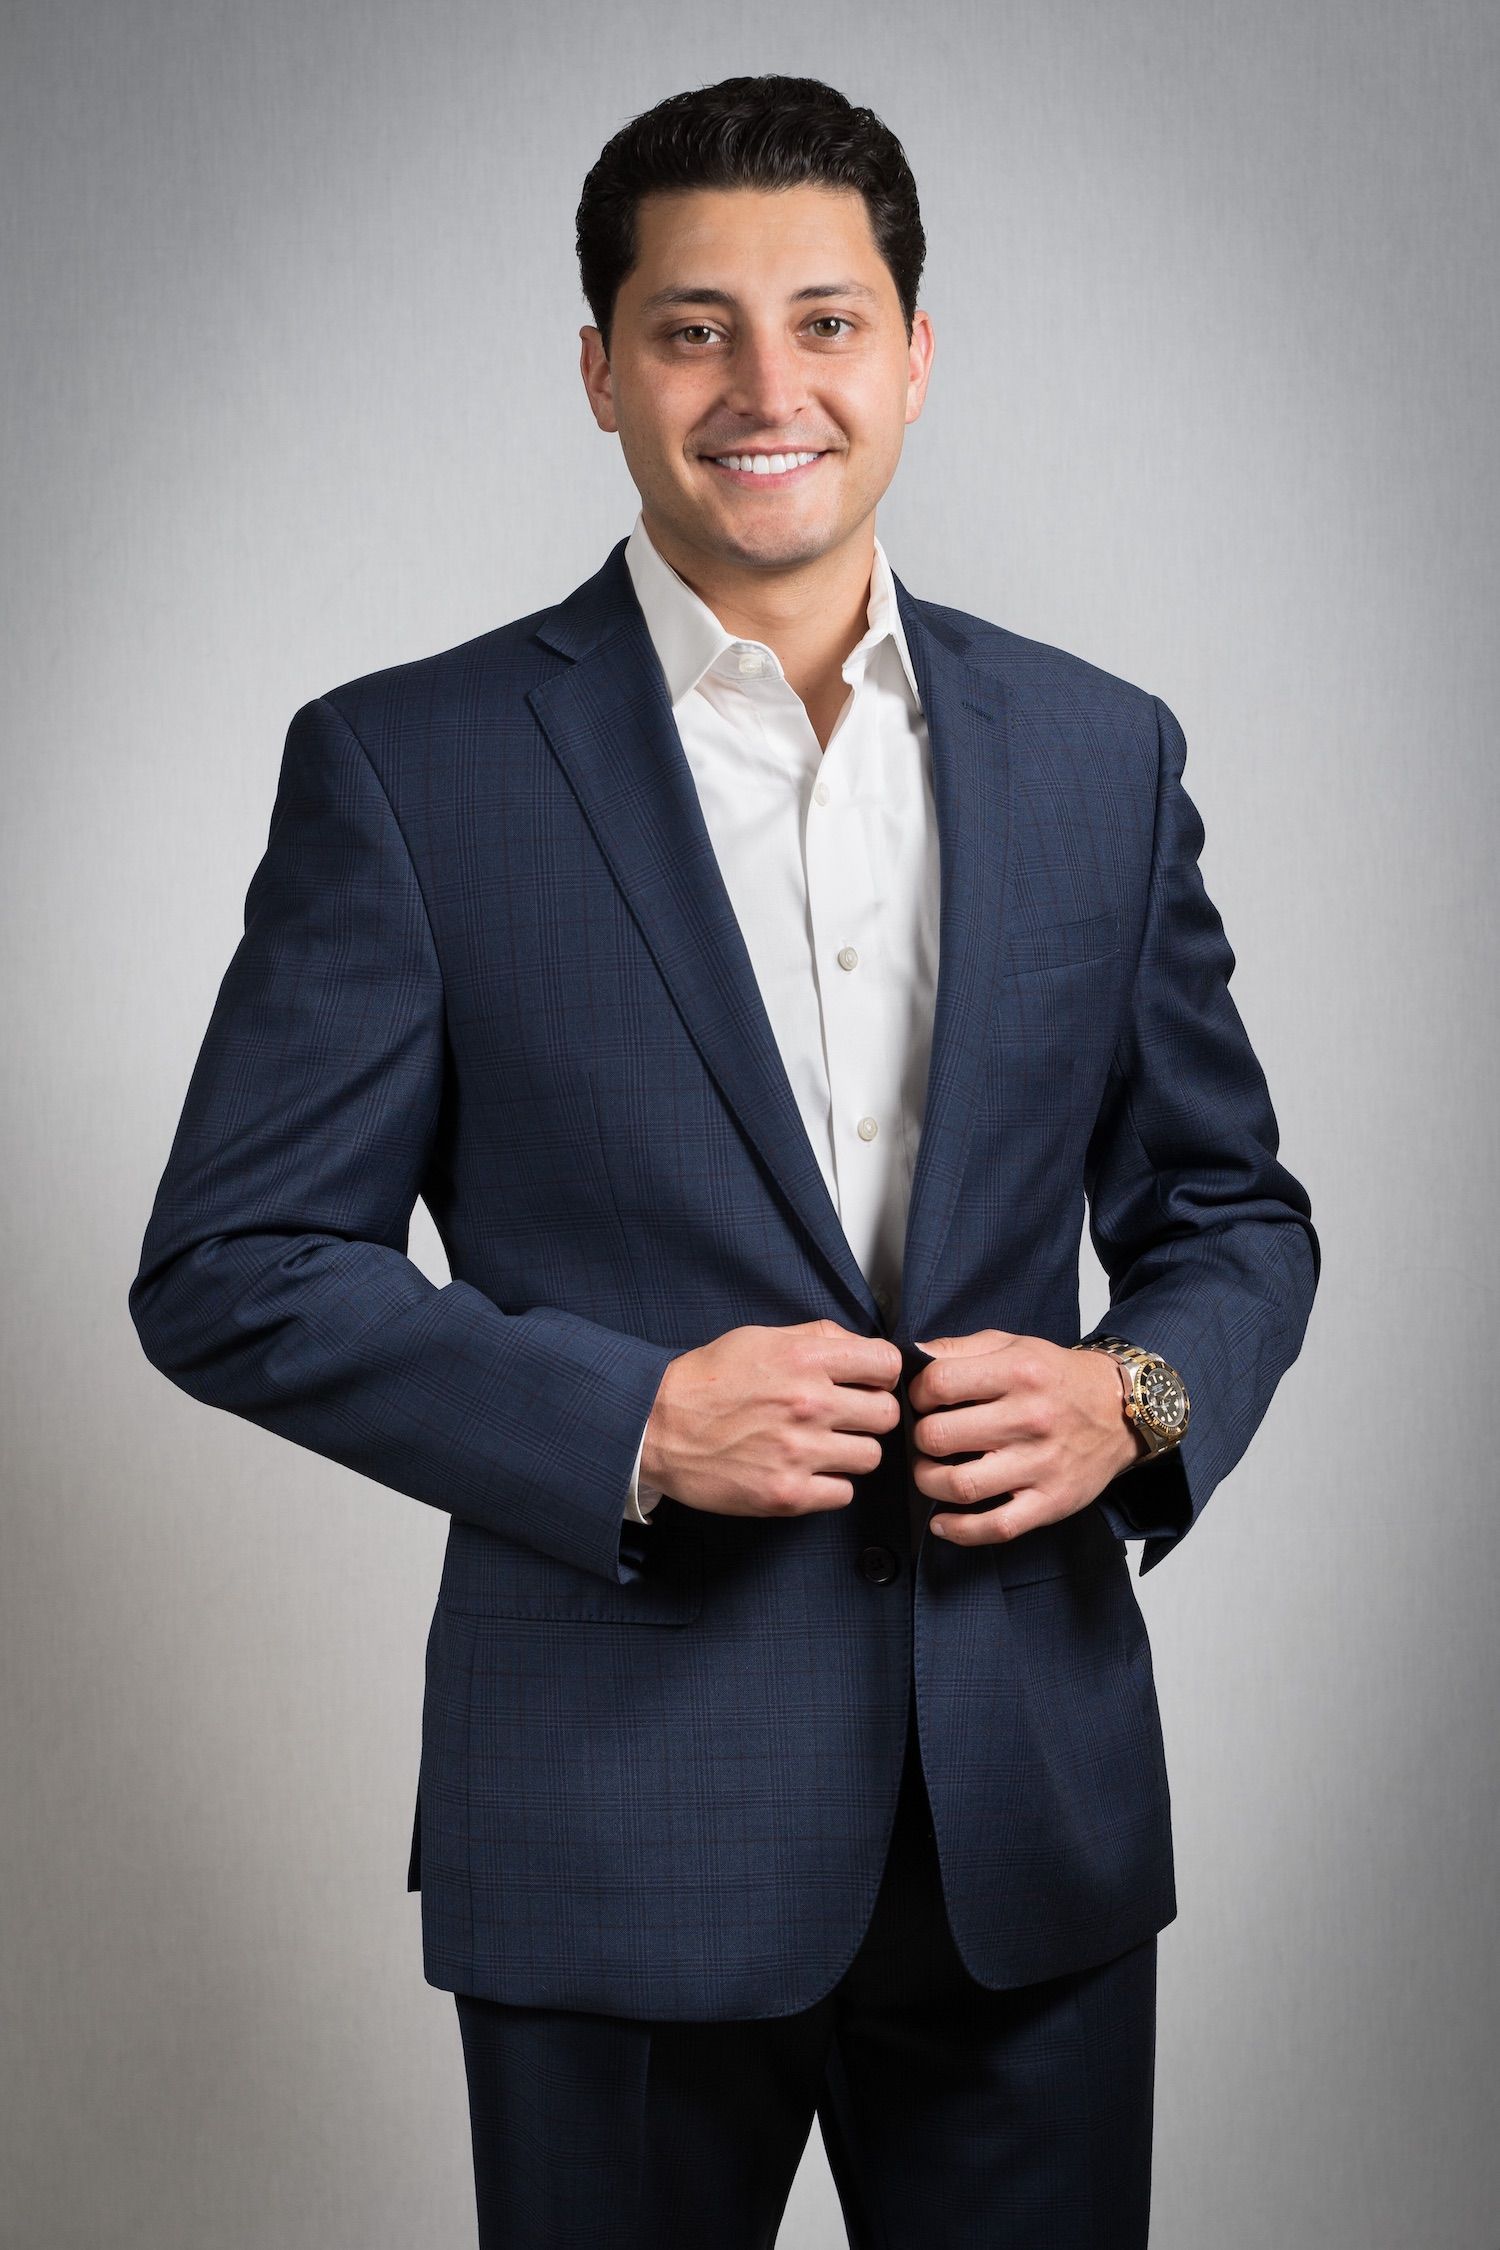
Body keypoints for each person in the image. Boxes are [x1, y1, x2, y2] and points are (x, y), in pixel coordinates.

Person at [129, 71, 1320, 2250]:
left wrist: (1131, 1395)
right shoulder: (407, 770)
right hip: (612, 1824)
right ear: (598, 370)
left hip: (1029, 1825)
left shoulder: (1099, 750)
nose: (767, 387)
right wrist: (629, 1420)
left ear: (915, 354)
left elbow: (1228, 1214)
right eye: (693, 328)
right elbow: (231, 1257)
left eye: (827, 320)